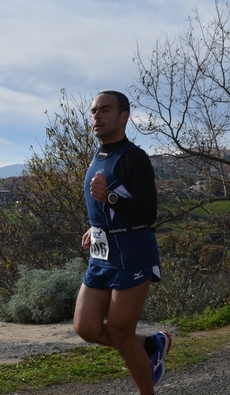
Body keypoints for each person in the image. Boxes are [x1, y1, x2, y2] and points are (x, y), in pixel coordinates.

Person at [73, 90, 172, 395]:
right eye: (93, 111)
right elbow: (106, 206)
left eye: (105, 110)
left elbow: (147, 210)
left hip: (133, 251)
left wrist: (110, 197)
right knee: (85, 327)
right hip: (103, 254)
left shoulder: (134, 157)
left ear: (123, 116)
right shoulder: (98, 156)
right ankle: (151, 345)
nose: (96, 116)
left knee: (119, 329)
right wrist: (96, 225)